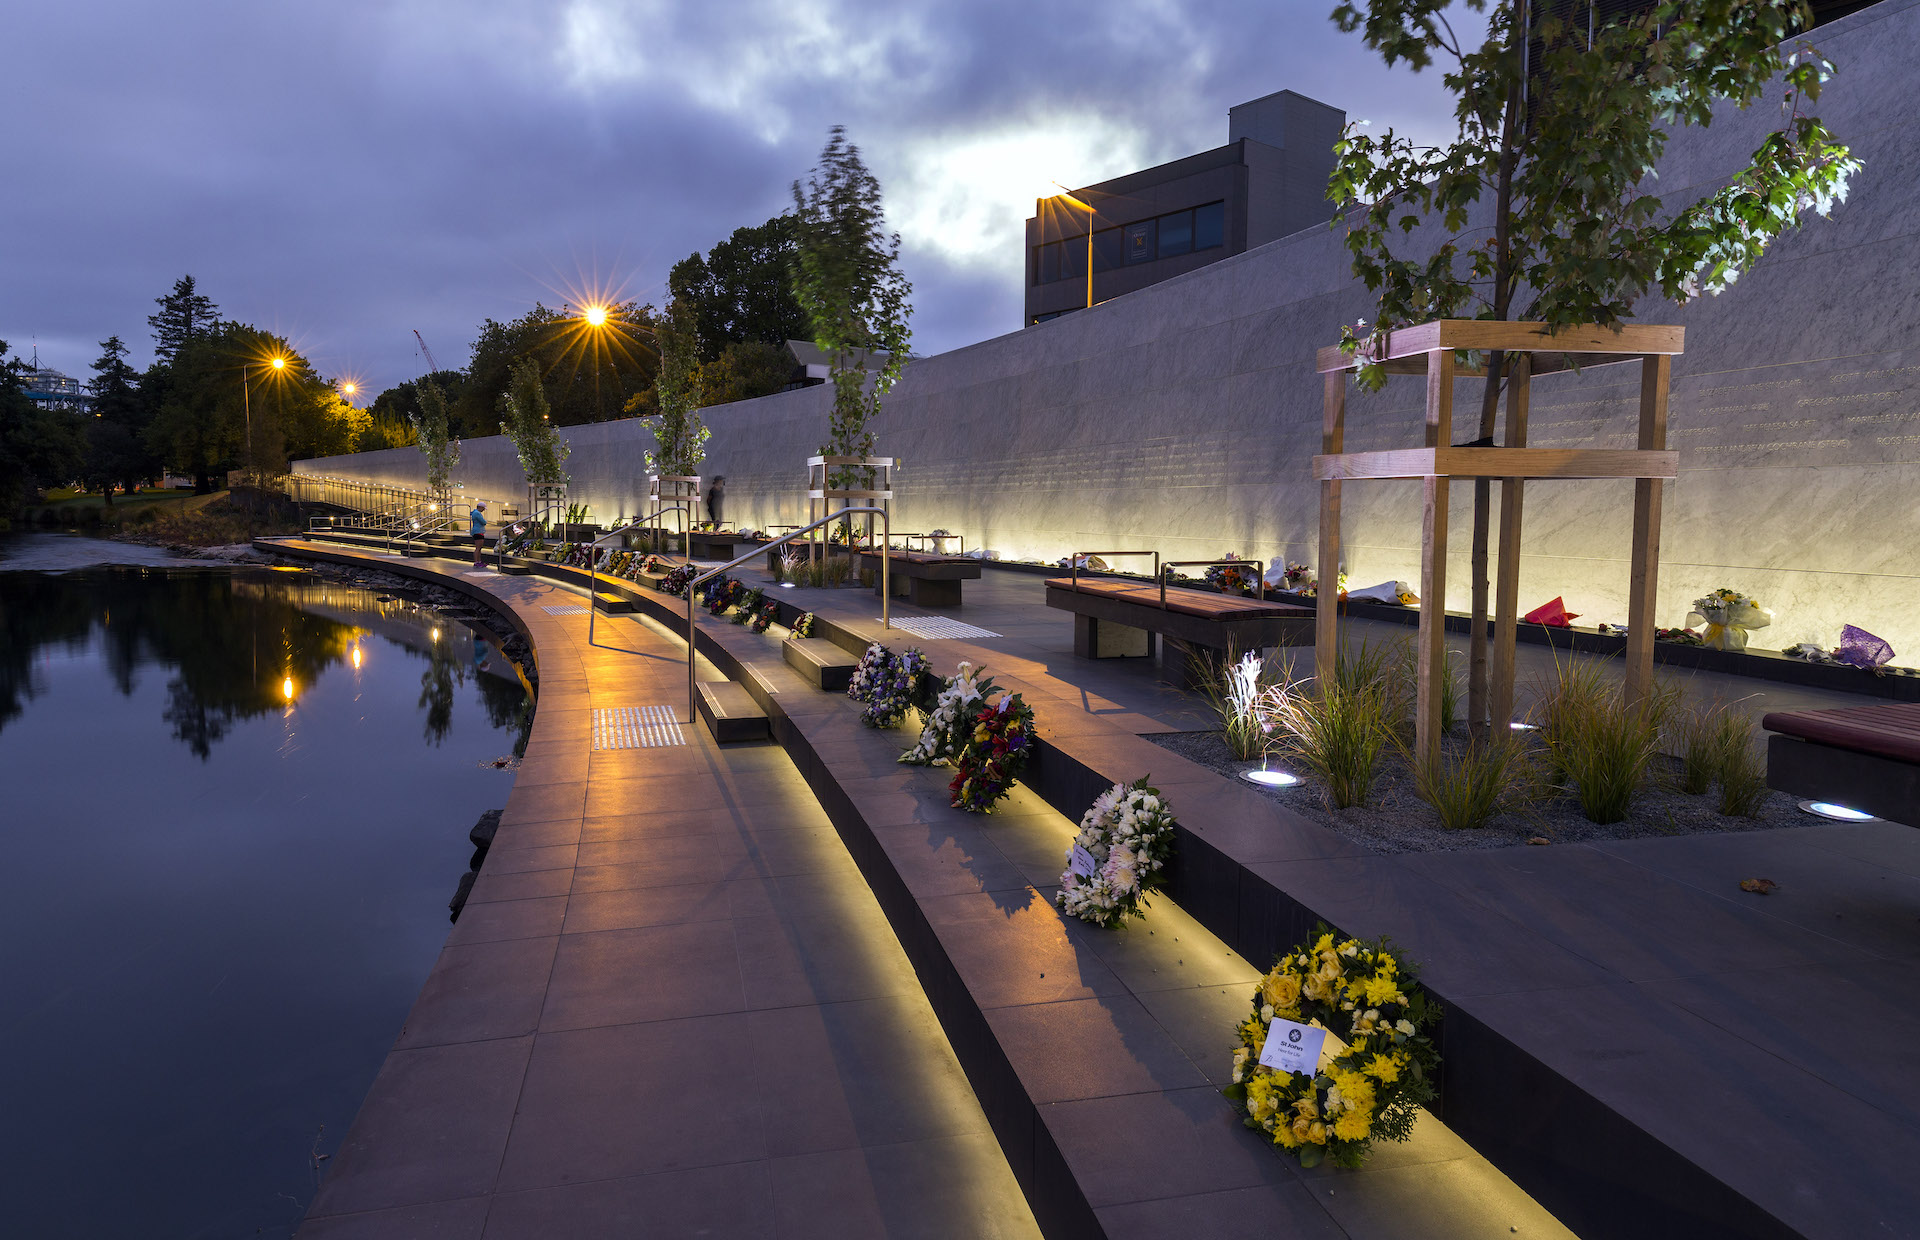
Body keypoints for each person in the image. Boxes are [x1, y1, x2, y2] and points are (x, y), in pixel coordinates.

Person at [469, 501, 488, 567]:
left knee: (479, 548)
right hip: (478, 531)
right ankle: (476, 561)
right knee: (478, 548)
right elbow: (483, 522)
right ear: (480, 507)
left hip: (477, 531)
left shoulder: (475, 513)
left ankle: (479, 561)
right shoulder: (477, 513)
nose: (484, 510)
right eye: (483, 508)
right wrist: (485, 521)